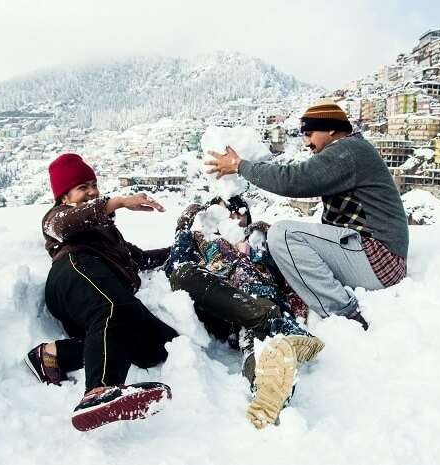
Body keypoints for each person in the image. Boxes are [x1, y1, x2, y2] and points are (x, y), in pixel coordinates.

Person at [205, 100, 409, 327]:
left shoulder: (348, 151)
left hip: (378, 259)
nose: (306, 143)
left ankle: (345, 313)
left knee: (282, 234)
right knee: (269, 235)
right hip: (371, 255)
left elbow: (293, 180)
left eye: (310, 134)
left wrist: (240, 165)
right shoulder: (351, 150)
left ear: (331, 129)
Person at [24, 153, 178, 431]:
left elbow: (140, 259)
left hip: (101, 289)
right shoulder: (56, 218)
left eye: (94, 185)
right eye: (83, 187)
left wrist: (180, 249)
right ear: (64, 197)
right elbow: (69, 223)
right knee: (119, 309)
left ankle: (52, 355)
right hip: (73, 274)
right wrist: (117, 202)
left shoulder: (107, 233)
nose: (92, 191)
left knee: (160, 346)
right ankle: (99, 391)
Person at [164, 195, 325, 429]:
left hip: (263, 296)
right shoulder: (202, 239)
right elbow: (176, 264)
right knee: (187, 276)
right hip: (224, 299)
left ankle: (267, 389)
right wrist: (183, 226)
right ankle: (287, 332)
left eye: (239, 212)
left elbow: (287, 269)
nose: (234, 217)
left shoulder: (258, 239)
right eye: (227, 212)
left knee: (254, 340)